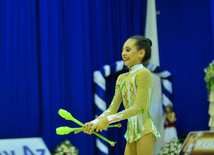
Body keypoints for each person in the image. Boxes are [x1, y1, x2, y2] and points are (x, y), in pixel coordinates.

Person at [75, 35, 160, 155]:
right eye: (123, 50)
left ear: (141, 53)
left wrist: (108, 120)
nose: (123, 53)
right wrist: (94, 123)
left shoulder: (144, 73)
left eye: (128, 50)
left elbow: (137, 108)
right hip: (131, 133)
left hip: (145, 130)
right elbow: (112, 108)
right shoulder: (121, 78)